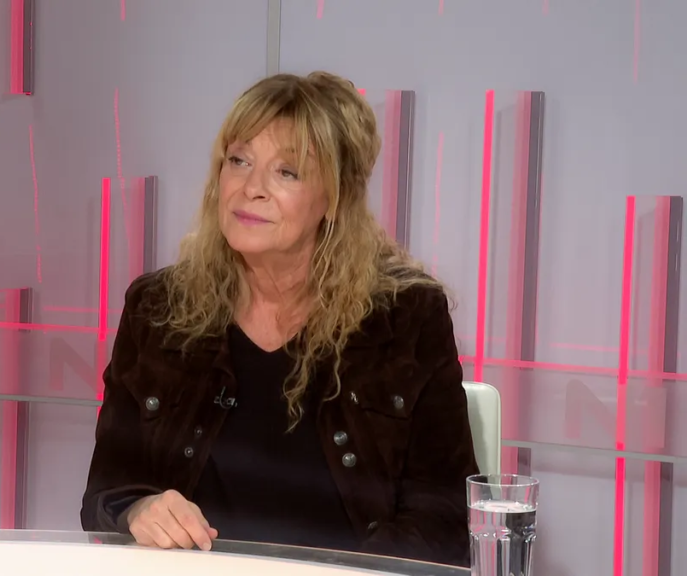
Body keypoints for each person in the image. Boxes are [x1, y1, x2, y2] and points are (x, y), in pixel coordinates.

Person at [79, 71, 478, 566]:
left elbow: (443, 518)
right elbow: (105, 492)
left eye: (286, 172)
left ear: (333, 199)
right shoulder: (158, 309)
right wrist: (139, 509)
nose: (252, 188)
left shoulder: (407, 317)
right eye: (239, 161)